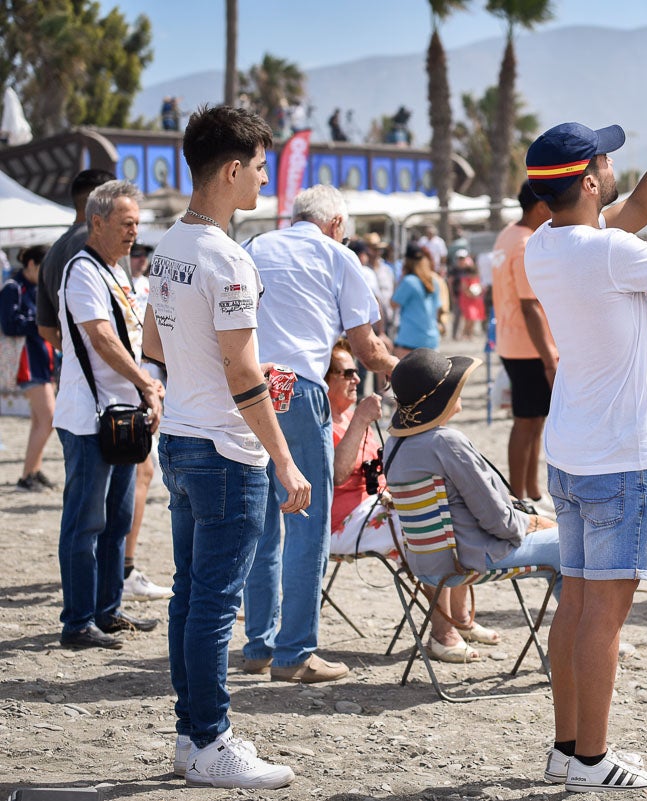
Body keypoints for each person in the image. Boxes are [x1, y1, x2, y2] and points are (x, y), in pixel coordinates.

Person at [522, 58, 647, 792]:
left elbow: (630, 206)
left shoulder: (550, 244)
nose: (611, 169)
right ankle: (592, 761)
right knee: (604, 618)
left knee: (575, 606)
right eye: (603, 161)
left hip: (576, 451)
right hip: (620, 458)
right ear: (586, 181)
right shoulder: (609, 250)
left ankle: (567, 746)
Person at [141, 104, 310, 790]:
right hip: (224, 449)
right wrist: (285, 457)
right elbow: (241, 372)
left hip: (182, 438)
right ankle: (210, 737)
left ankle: (192, 735)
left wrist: (229, 375)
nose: (266, 180)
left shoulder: (166, 247)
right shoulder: (228, 257)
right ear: (233, 170)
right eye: (262, 168)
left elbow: (155, 345)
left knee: (191, 595)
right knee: (212, 604)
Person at [240, 184, 397, 685]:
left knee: (263, 522)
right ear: (334, 224)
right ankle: (295, 653)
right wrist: (411, 373)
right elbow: (366, 347)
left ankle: (259, 645)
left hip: (254, 385)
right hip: (300, 386)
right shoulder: (335, 254)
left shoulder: (256, 247)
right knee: (307, 523)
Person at [357, 348, 561, 661]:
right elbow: (500, 522)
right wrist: (532, 522)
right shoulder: (446, 442)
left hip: (427, 563)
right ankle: (579, 647)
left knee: (557, 539)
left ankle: (576, 644)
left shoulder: (396, 444)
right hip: (467, 559)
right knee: (571, 548)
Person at [54, 180, 164, 651]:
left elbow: (132, 338)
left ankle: (106, 609)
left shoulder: (115, 272)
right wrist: (145, 381)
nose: (133, 233)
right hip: (87, 417)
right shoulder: (83, 270)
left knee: (117, 518)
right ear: (96, 222)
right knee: (85, 520)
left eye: (137, 224)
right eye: (125, 224)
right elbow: (101, 337)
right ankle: (78, 620)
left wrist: (148, 387)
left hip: (119, 414)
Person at [492, 182, 556, 507]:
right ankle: (518, 496)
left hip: (513, 341)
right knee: (526, 421)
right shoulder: (525, 243)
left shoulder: (508, 235)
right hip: (527, 345)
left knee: (534, 420)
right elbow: (529, 305)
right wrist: (549, 358)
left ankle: (531, 490)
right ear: (541, 206)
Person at [122, 242, 173, 601]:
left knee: (140, 474)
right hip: (129, 389)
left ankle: (119, 569)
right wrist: (145, 385)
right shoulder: (107, 274)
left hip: (139, 384)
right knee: (139, 473)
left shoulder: (130, 282)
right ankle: (122, 570)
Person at [36, 169, 118, 350]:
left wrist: (73, 353)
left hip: (72, 370)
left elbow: (45, 328)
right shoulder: (105, 242)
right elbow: (105, 332)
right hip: (111, 369)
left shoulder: (51, 252)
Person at [1, 245, 56, 491]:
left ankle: (34, 469)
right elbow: (9, 324)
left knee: (39, 420)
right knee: (48, 418)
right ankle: (26, 476)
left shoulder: (35, 287)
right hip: (27, 361)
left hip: (42, 359)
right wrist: (39, 323)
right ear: (32, 264)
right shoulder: (13, 287)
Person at [391, 243, 443, 358]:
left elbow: (393, 303)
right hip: (431, 338)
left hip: (410, 339)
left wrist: (400, 279)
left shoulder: (409, 281)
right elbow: (438, 308)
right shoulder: (433, 281)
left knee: (402, 375)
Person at [455, 253, 485, 340]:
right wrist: (472, 295)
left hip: (475, 300)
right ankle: (464, 334)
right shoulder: (465, 279)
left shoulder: (476, 278)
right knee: (469, 318)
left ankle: (470, 334)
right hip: (467, 300)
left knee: (474, 318)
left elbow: (479, 287)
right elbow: (464, 290)